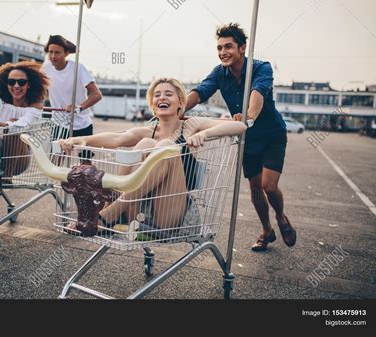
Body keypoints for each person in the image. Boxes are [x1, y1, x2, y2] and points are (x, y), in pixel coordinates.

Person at [59, 77, 246, 232]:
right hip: (138, 211)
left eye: (168, 94)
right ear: (153, 105)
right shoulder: (148, 132)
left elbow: (240, 126)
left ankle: (106, 216)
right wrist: (81, 139)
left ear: (181, 102)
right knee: (147, 143)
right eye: (157, 95)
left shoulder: (190, 125)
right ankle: (109, 213)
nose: (161, 98)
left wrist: (203, 134)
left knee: (165, 146)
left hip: (168, 213)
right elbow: (117, 138)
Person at [184, 23, 296, 251]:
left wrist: (249, 117)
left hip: (271, 134)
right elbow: (201, 91)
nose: (223, 52)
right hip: (247, 137)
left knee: (269, 186)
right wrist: (177, 110)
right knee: (255, 188)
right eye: (219, 47)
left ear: (242, 48)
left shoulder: (261, 67)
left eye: (228, 46)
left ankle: (282, 218)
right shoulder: (219, 72)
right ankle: (267, 230)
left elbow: (258, 91)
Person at [41, 34, 102, 140]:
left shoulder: (78, 68)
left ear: (66, 53)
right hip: (58, 124)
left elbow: (96, 94)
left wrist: (79, 107)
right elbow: (38, 90)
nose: (53, 56)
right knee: (55, 156)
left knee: (84, 157)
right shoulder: (45, 67)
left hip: (82, 125)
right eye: (50, 52)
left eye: (57, 52)